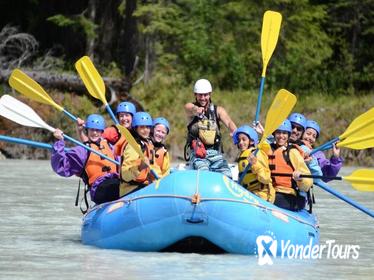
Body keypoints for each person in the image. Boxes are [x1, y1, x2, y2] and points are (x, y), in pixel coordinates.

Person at [51, 114, 120, 205]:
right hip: (98, 189)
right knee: (116, 185)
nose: (94, 133)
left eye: (97, 130)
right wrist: (59, 142)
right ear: (87, 130)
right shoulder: (81, 151)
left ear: (102, 132)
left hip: (114, 182)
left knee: (124, 183)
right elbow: (61, 166)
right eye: (92, 130)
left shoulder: (110, 147)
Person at [184, 78, 237, 178]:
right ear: (195, 95)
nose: (203, 98)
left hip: (215, 154)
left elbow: (229, 122)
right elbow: (188, 107)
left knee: (227, 175)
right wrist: (196, 109)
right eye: (200, 95)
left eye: (205, 95)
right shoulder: (191, 109)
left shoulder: (218, 110)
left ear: (210, 94)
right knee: (204, 172)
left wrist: (235, 132)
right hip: (197, 154)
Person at [267, 119, 313, 211]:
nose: (281, 136)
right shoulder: (268, 150)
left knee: (274, 199)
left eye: (284, 133)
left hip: (289, 195)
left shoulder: (292, 152)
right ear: (274, 134)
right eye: (278, 133)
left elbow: (308, 181)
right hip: (271, 191)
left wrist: (300, 178)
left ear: (288, 135)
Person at [233, 125, 275, 203]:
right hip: (249, 193)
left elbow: (266, 178)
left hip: (262, 194)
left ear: (251, 141)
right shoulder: (242, 156)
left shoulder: (257, 153)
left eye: (244, 139)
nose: (240, 143)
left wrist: (255, 164)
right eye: (239, 140)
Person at [120, 112, 156, 196]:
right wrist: (139, 167)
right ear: (136, 129)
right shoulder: (132, 146)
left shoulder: (148, 144)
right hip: (130, 189)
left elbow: (154, 166)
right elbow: (125, 174)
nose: (145, 130)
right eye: (142, 127)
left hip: (145, 185)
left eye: (147, 127)